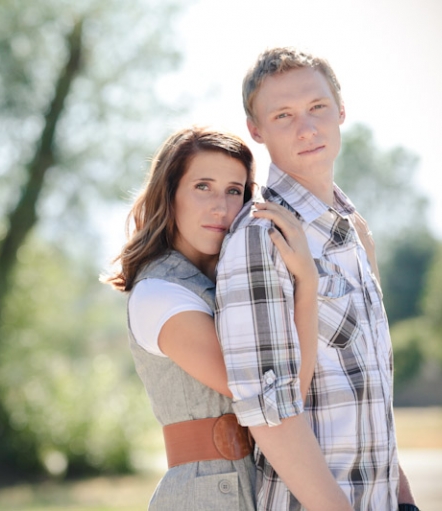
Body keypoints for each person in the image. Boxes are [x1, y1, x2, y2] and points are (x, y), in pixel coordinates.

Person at [214, 46, 418, 510]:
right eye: (283, 115)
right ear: (256, 131)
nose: (307, 128)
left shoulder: (352, 232)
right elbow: (269, 414)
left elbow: (371, 394)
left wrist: (403, 498)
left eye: (317, 107)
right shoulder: (261, 236)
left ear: (341, 111)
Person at [104, 126, 338, 510]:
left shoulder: (229, 286)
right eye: (203, 187)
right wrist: (306, 285)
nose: (221, 207)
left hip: (258, 485)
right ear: (171, 194)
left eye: (234, 190)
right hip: (206, 496)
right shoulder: (159, 295)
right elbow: (280, 397)